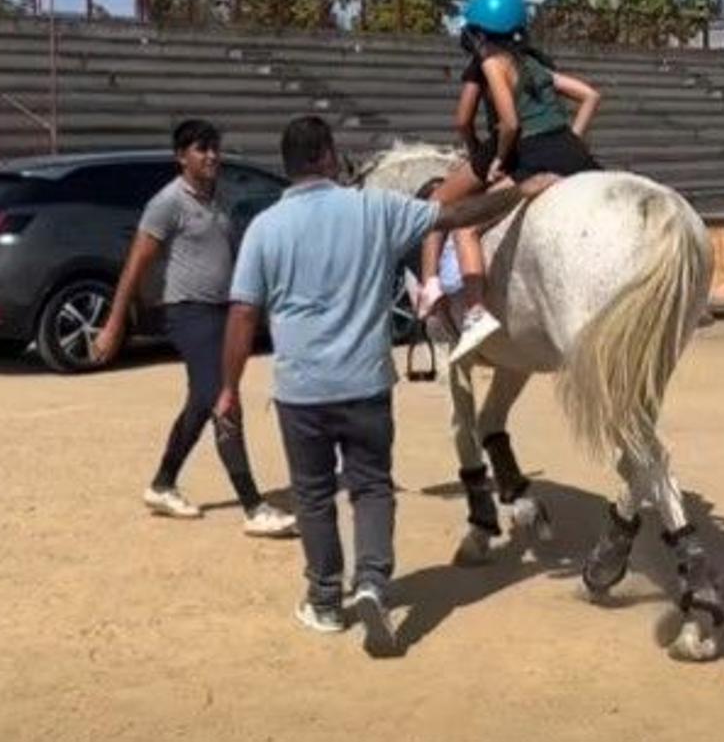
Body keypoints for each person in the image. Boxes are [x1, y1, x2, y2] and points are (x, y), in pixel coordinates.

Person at [214, 116, 554, 653]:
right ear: (328, 156)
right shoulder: (373, 208)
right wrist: (521, 193)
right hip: (365, 381)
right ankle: (372, 581)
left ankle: (326, 599)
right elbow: (456, 214)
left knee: (314, 494)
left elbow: (241, 313)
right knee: (372, 487)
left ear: (288, 165)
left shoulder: (265, 227)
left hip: (301, 388)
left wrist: (229, 388)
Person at [93, 119, 297, 538]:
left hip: (221, 312)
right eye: (202, 149)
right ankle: (253, 506)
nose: (212, 156)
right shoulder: (167, 203)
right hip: (188, 313)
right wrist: (114, 323)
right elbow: (136, 264)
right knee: (223, 399)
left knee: (201, 402)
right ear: (181, 157)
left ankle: (162, 484)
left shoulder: (219, 198)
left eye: (215, 147)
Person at [417, 0, 603, 364]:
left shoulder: (488, 61)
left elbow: (505, 123)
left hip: (529, 150)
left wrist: (497, 158)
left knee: (458, 221)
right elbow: (590, 95)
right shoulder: (533, 62)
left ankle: (455, 300)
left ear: (478, 31)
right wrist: (574, 137)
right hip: (572, 152)